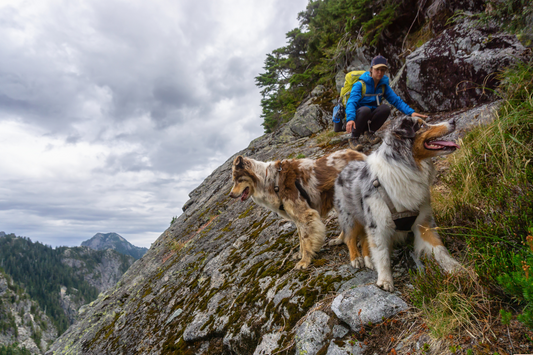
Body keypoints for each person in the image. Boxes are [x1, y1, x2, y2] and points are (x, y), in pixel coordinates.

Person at [345, 55, 427, 150]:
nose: (380, 72)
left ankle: (369, 133)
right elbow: (351, 102)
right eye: (377, 69)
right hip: (358, 117)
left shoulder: (383, 86)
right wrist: (350, 119)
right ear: (371, 69)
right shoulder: (360, 85)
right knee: (365, 110)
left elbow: (396, 100)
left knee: (385, 108)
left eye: (383, 70)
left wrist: (411, 112)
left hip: (370, 115)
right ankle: (354, 138)